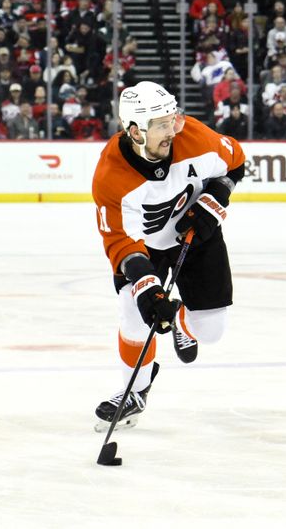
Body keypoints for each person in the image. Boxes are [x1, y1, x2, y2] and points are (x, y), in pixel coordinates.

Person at [91, 81, 245, 429]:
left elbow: (235, 163)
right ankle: (135, 391)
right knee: (133, 308)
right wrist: (148, 288)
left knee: (211, 332)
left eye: (172, 119)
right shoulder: (110, 175)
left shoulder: (196, 138)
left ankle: (183, 322)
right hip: (144, 247)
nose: (173, 130)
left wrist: (217, 196)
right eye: (161, 125)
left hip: (197, 235)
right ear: (134, 130)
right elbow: (120, 242)